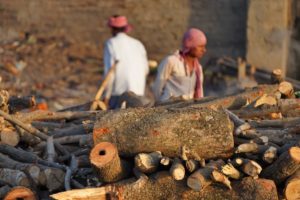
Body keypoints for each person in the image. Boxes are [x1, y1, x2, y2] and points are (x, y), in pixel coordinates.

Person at [103, 15, 149, 108]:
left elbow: (109, 73)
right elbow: (145, 70)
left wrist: (106, 96)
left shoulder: (111, 43)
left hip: (119, 94)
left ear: (112, 29)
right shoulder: (138, 44)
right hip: (138, 93)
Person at [153, 28, 207, 102]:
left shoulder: (198, 68)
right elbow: (157, 87)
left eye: (204, 47)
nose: (204, 50)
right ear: (190, 45)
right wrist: (160, 105)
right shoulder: (171, 61)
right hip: (167, 108)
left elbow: (198, 94)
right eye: (200, 46)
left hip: (187, 110)